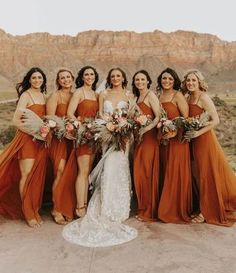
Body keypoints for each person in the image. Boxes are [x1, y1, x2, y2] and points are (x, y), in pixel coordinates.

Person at [62, 67, 137, 247]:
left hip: (124, 137)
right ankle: (104, 206)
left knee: (121, 168)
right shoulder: (103, 94)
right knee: (108, 168)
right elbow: (100, 114)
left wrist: (124, 126)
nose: (115, 78)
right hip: (106, 136)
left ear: (123, 77)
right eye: (112, 76)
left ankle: (120, 206)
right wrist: (109, 126)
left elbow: (134, 115)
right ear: (109, 78)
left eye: (119, 75)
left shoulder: (129, 94)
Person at [182, 69, 236, 226]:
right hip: (191, 139)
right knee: (196, 174)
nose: (190, 83)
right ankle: (199, 204)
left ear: (199, 82)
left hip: (204, 140)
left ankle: (205, 211)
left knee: (205, 174)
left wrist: (197, 133)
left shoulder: (203, 97)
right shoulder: (187, 97)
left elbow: (216, 120)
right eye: (188, 80)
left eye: (194, 80)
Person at [0, 67, 48, 228]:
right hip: (27, 140)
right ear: (29, 79)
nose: (37, 80)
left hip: (41, 141)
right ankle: (28, 212)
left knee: (37, 176)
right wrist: (34, 133)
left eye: (39, 78)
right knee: (26, 175)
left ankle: (34, 208)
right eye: (33, 78)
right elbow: (15, 121)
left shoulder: (43, 96)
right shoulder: (26, 96)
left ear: (43, 80)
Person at [55, 66, 99, 221]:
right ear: (82, 77)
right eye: (86, 74)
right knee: (83, 171)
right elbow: (70, 114)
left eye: (92, 74)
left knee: (88, 172)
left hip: (94, 136)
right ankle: (79, 207)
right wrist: (81, 127)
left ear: (95, 76)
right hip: (83, 136)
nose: (89, 76)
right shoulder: (79, 92)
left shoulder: (96, 94)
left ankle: (85, 203)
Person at [157, 68, 192, 223]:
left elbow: (186, 119)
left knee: (175, 171)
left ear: (175, 81)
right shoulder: (158, 96)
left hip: (177, 141)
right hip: (163, 140)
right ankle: (165, 205)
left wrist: (175, 130)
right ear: (160, 80)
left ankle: (175, 209)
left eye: (170, 79)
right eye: (164, 78)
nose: (167, 81)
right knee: (165, 171)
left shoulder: (178, 95)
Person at [46, 68, 74, 224]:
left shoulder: (75, 95)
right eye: (62, 78)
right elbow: (49, 119)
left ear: (72, 78)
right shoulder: (55, 96)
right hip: (59, 140)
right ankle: (56, 209)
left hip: (73, 139)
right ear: (58, 81)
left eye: (68, 77)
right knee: (60, 171)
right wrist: (62, 130)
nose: (65, 80)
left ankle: (67, 206)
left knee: (71, 173)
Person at [132, 70, 160, 222]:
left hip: (149, 138)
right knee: (139, 171)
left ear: (148, 81)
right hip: (139, 138)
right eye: (137, 80)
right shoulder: (137, 97)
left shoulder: (150, 95)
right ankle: (143, 206)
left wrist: (147, 128)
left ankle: (149, 210)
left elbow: (159, 116)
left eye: (143, 79)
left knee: (146, 171)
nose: (140, 82)